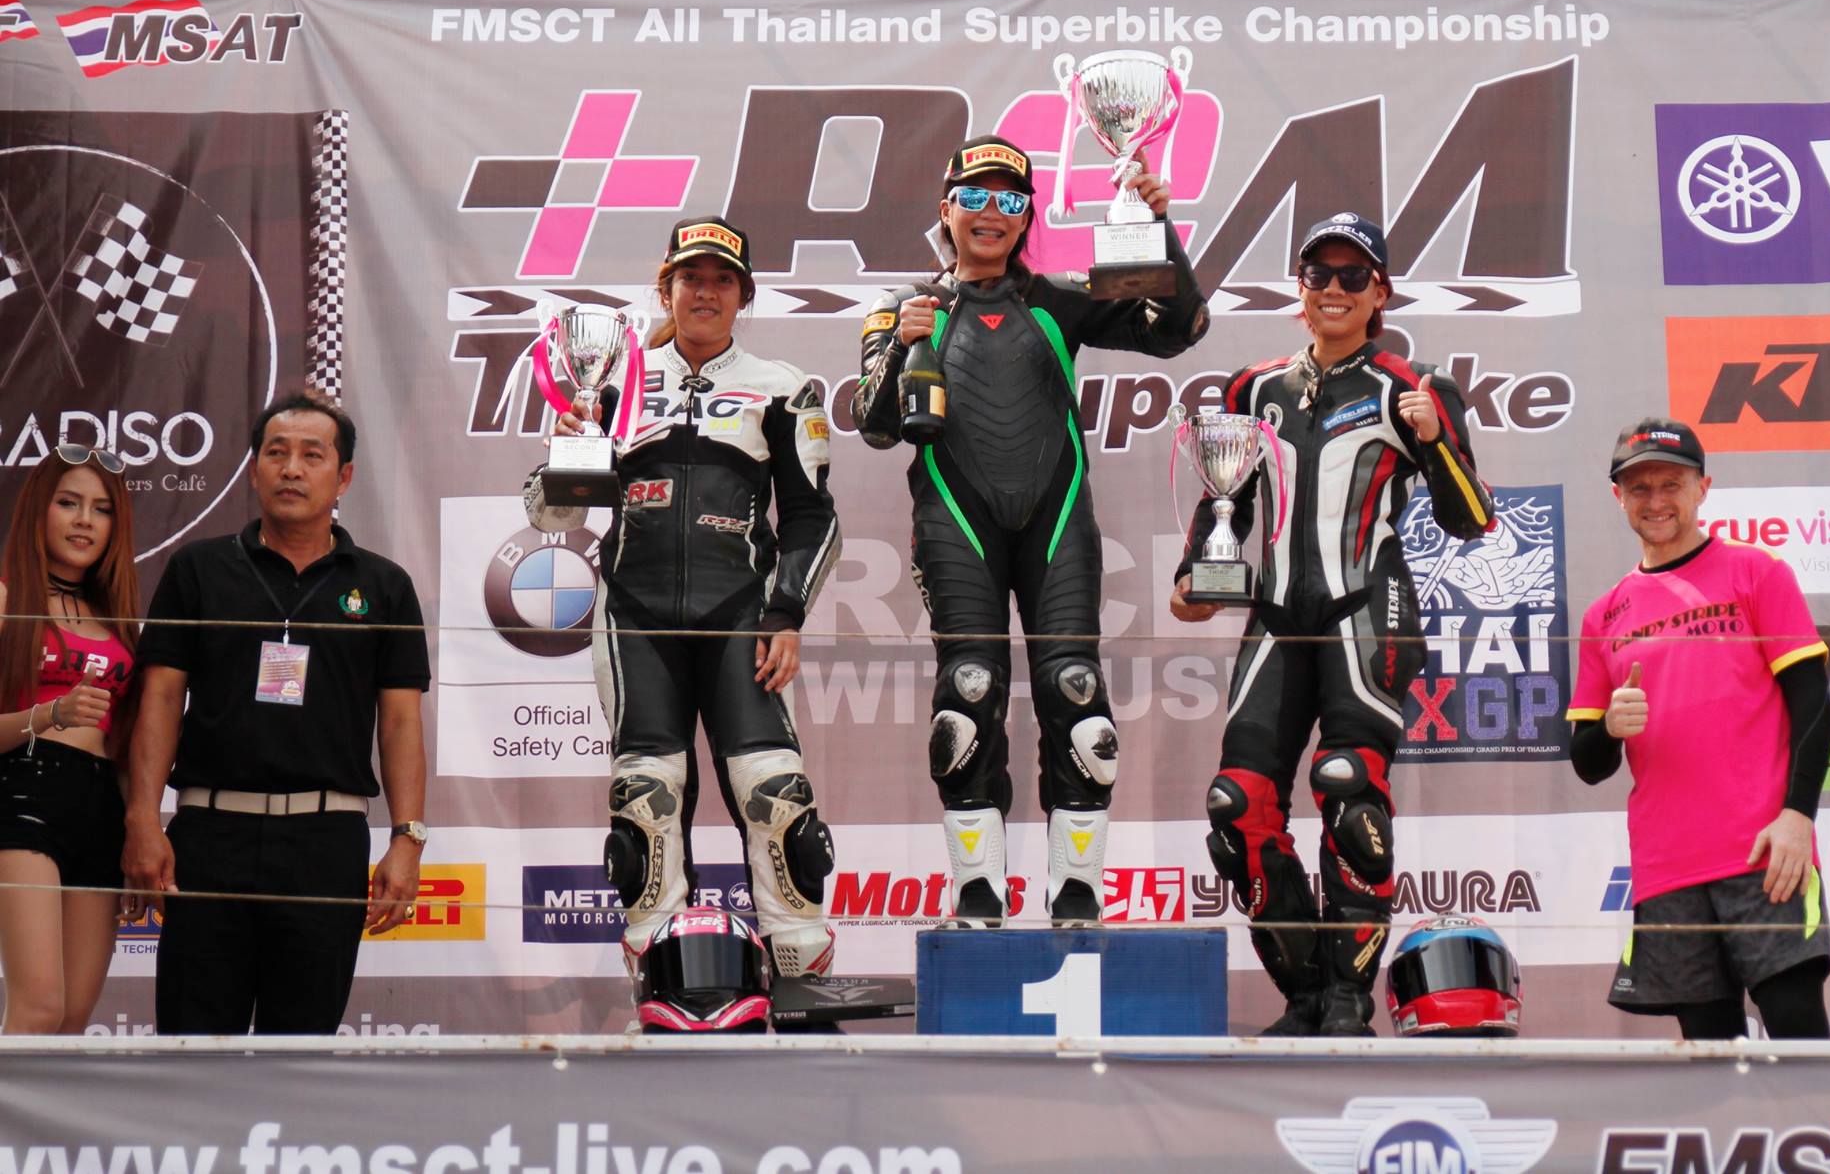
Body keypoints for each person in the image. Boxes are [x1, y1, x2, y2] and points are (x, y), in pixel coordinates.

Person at [854, 135, 1209, 927]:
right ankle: (978, 893)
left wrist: (1159, 229)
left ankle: (1077, 892)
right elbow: (875, 425)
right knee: (967, 693)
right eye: (974, 196)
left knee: (1076, 693)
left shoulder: (1057, 300)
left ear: (1026, 219)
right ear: (946, 208)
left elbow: (1179, 326)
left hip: (1056, 522)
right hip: (955, 521)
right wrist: (904, 343)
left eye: (1010, 200)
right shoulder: (904, 306)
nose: (991, 212)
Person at [1170, 213, 1494, 1035]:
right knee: (1235, 805)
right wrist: (1194, 576)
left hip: (1366, 610)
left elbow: (1471, 518)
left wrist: (1435, 441)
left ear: (1381, 292)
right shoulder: (1254, 390)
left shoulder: (1412, 385)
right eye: (1321, 274)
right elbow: (1225, 504)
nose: (1336, 290)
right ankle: (1305, 993)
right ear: (1300, 289)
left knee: (1349, 788)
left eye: (1355, 276)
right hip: (1276, 617)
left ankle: (1350, 1000)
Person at [528, 216, 842, 982]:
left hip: (741, 614)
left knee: (773, 791)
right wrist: (572, 450)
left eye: (722, 280)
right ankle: (660, 967)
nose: (706, 292)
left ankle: (800, 965)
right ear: (665, 288)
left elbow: (812, 518)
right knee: (645, 797)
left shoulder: (784, 386)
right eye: (691, 279)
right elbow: (549, 515)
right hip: (633, 614)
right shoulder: (610, 384)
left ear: (744, 296)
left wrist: (787, 612)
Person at [123, 391, 429, 1035]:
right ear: (255, 469)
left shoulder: (384, 585)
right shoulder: (198, 569)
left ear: (343, 476)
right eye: (276, 453)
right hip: (209, 836)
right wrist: (143, 819)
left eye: (312, 455)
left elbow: (401, 723)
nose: (292, 469)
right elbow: (160, 700)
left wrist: (407, 839)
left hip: (326, 843)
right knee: (192, 1047)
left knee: (301, 1054)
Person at [1569, 417, 1830, 1040]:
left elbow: (1813, 704)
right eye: (1640, 488)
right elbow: (1587, 761)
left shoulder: (1756, 571)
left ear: (1702, 488)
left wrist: (1797, 816)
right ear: (1618, 497)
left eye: (1672, 484)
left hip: (1765, 852)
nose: (1656, 500)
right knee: (1711, 1060)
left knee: (1801, 1040)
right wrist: (1610, 728)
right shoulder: (1603, 614)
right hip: (1668, 869)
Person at [0, 447, 140, 1032]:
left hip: (102, 804)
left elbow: (128, 747)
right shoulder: (8, 599)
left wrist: (137, 832)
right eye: (68, 503)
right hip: (24, 792)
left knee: (73, 1019)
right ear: (39, 509)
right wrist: (50, 713)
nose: (85, 521)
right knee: (39, 1007)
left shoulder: (120, 617)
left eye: (101, 509)